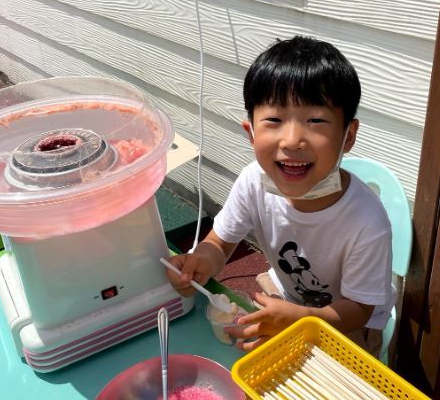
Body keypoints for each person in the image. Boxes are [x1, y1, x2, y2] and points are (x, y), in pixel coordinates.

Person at [165, 35, 393, 356]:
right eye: (274, 120)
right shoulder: (253, 181)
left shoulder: (367, 222)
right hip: (295, 301)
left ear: (348, 136)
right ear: (251, 133)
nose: (291, 140)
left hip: (348, 323)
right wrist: (201, 262)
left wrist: (303, 320)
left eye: (315, 121)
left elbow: (359, 309)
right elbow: (220, 242)